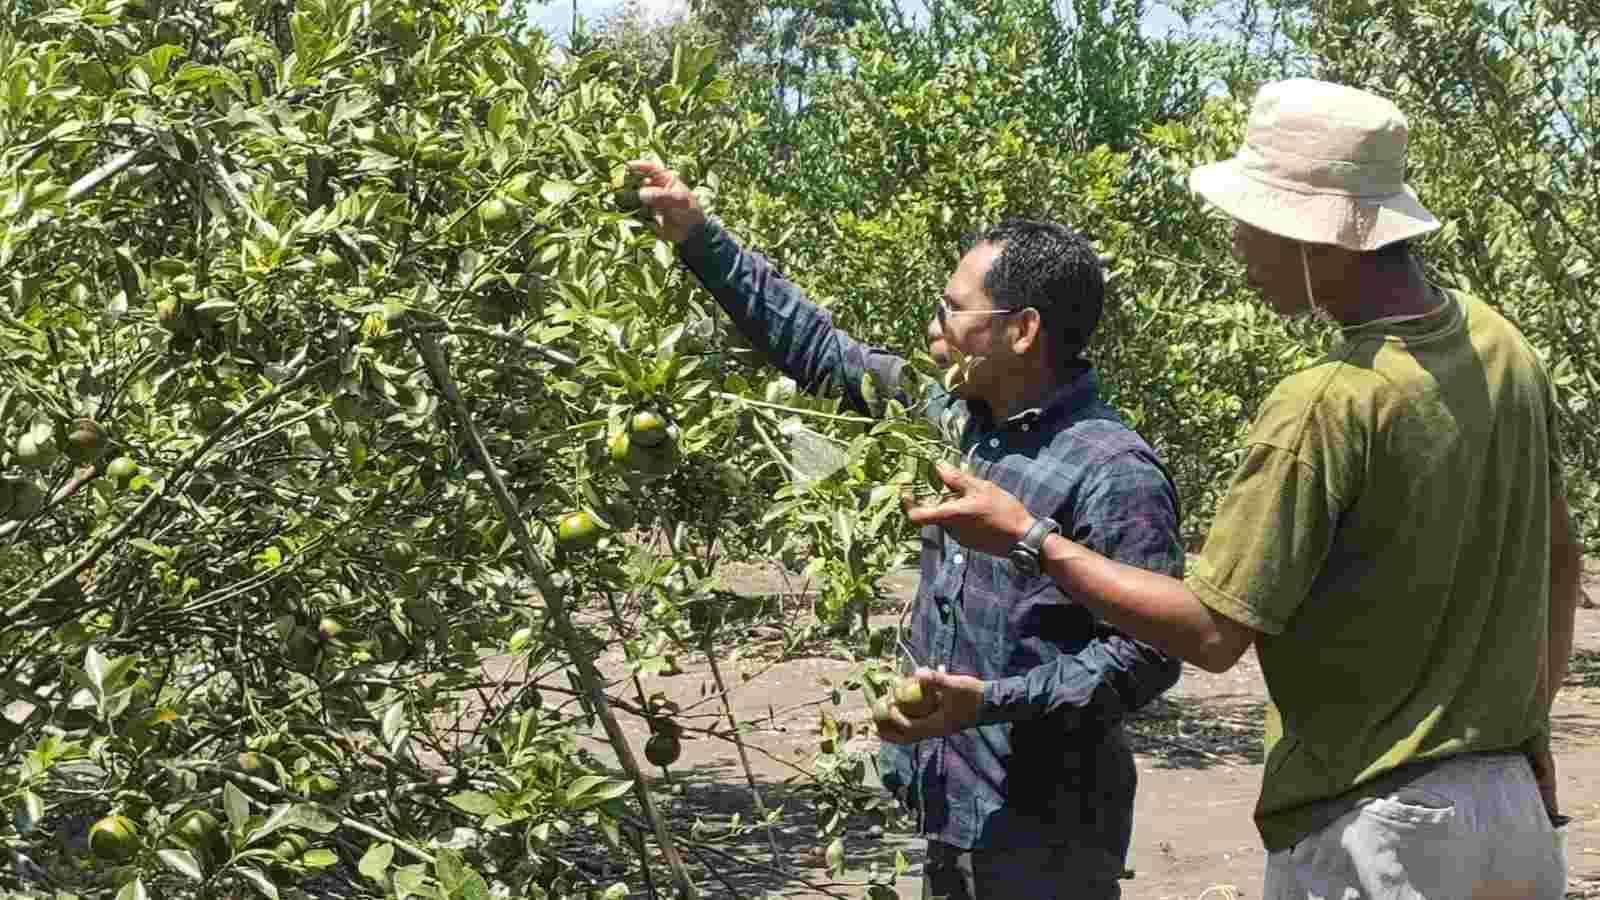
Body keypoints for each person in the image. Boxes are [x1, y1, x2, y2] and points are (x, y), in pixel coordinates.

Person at [900, 78, 1580, 898]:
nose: (1237, 245)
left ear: (1313, 235)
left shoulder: (1325, 403)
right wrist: (1529, 724)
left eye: (1250, 222)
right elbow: (1560, 556)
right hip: (1509, 811)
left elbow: (1211, 634)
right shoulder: (1499, 343)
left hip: (1378, 829)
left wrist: (1029, 537)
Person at [627, 159, 1185, 898]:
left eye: (952, 310)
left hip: (1048, 837)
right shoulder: (955, 423)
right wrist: (700, 236)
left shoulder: (1113, 471)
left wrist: (991, 702)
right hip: (954, 810)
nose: (934, 327)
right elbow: (819, 350)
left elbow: (1147, 656)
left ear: (1022, 331)